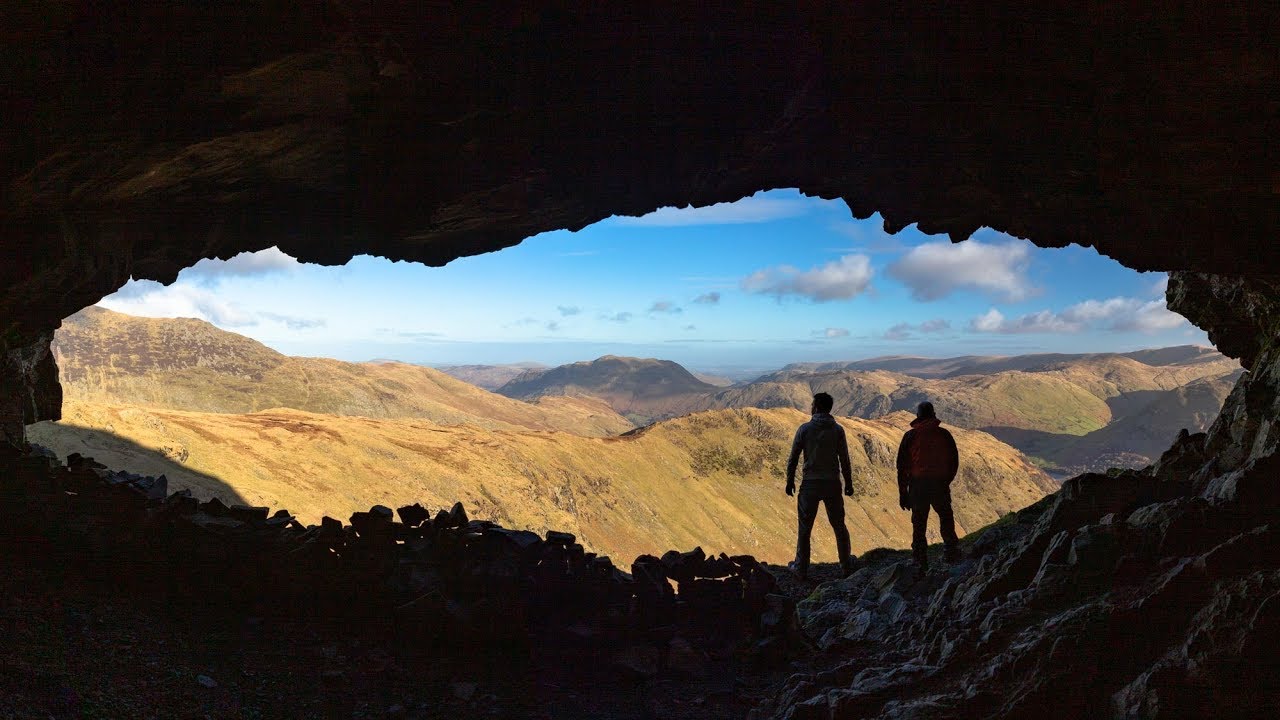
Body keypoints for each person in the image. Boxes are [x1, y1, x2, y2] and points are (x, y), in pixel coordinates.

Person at [785, 392, 855, 579]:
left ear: (816, 407)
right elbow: (844, 459)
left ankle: (801, 567)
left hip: (810, 484)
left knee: (805, 527)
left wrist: (789, 480)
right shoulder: (838, 430)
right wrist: (848, 483)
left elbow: (794, 458)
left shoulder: (804, 429)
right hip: (832, 482)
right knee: (839, 525)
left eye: (812, 404)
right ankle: (846, 564)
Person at [896, 401, 961, 571]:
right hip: (939, 483)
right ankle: (951, 551)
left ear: (918, 416)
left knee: (919, 522)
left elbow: (902, 466)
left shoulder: (910, 436)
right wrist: (946, 481)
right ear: (933, 414)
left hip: (918, 486)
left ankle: (919, 560)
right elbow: (954, 461)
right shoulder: (944, 434)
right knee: (946, 516)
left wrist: (903, 493)